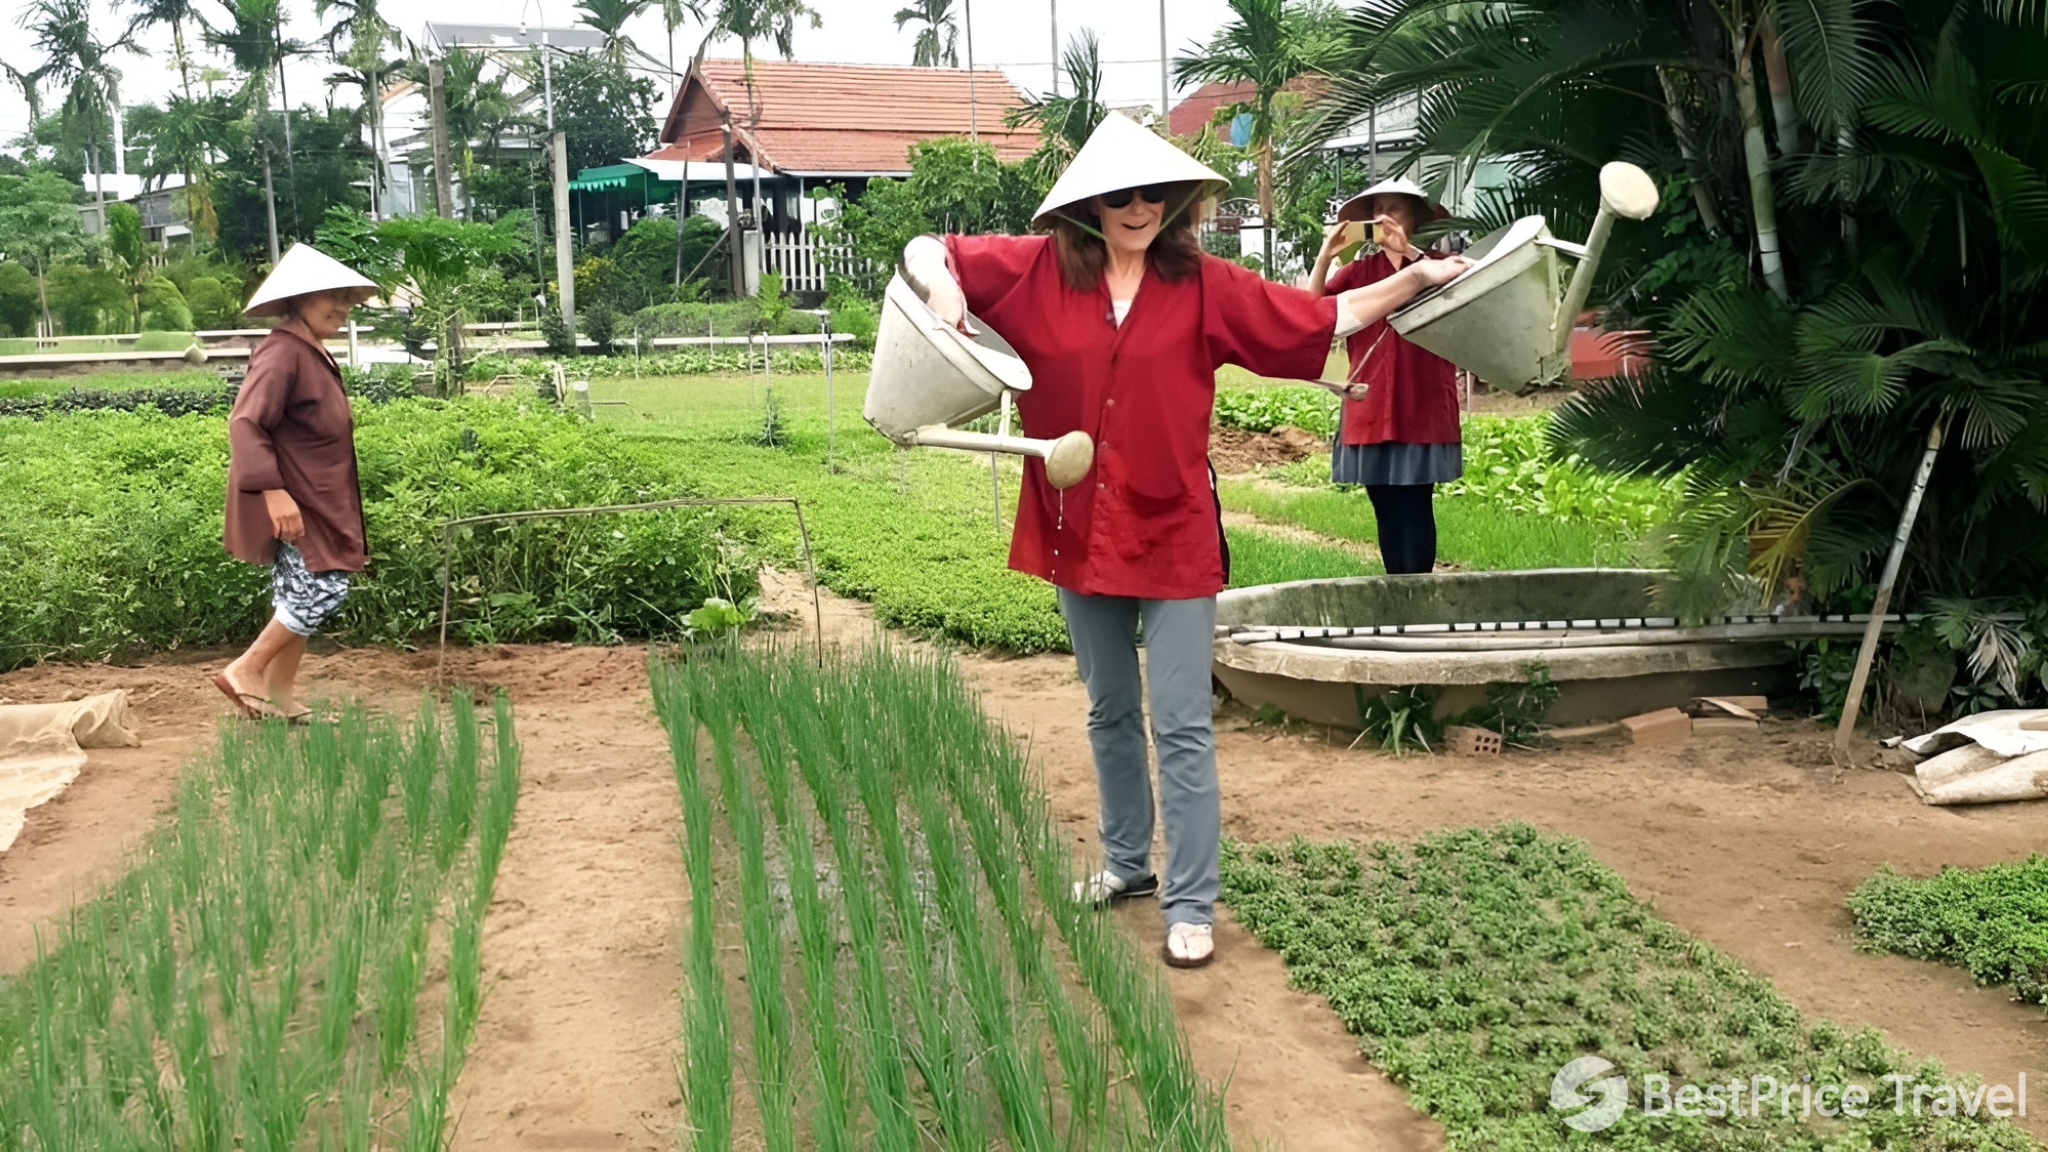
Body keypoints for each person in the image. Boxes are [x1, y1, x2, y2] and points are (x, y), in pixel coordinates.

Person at [902, 113, 1467, 968]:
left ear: (1178, 202)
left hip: (1171, 527)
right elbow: (924, 247)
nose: (1139, 208)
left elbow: (1326, 315)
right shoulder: (1037, 270)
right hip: (1077, 525)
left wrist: (1415, 278)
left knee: (1181, 721)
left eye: (1156, 194)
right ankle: (1127, 866)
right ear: (1088, 203)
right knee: (1107, 708)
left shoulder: (1205, 284)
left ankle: (1191, 897)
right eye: (1122, 194)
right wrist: (948, 295)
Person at [212, 244, 379, 723]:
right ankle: (247, 670)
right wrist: (274, 492)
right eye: (333, 296)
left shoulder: (311, 352)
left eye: (348, 297)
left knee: (298, 596)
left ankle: (279, 695)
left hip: (322, 497)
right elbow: (246, 423)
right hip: (298, 499)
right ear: (298, 299)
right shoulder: (282, 352)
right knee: (323, 590)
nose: (344, 307)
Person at [1307, 178, 1464, 575]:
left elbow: (1464, 295)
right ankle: (1398, 592)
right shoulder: (1360, 272)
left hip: (1421, 400)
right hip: (1370, 403)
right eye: (1379, 210)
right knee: (1383, 505)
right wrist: (1326, 254)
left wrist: (1410, 254)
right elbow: (1310, 310)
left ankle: (1418, 592)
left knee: (1415, 502)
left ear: (1414, 219)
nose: (1385, 219)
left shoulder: (1437, 266)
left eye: (1395, 209)